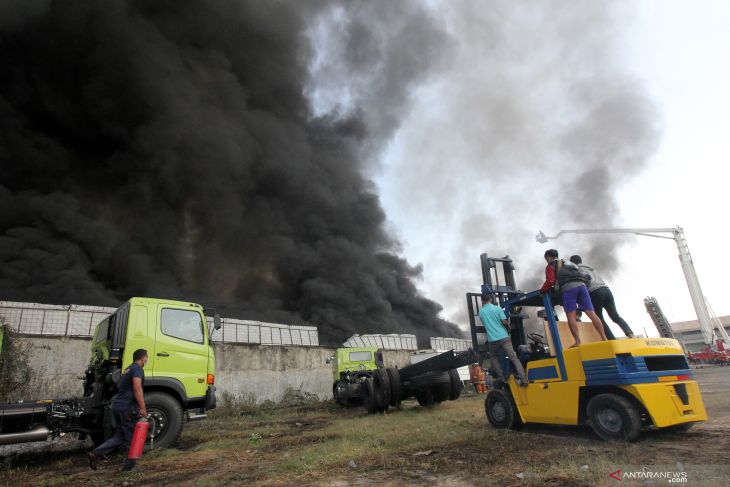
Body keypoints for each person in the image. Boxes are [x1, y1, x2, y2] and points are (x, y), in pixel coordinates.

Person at [87, 349, 148, 472]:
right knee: (130, 437)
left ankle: (96, 453)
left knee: (121, 435)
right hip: (128, 408)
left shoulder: (128, 369)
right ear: (142, 358)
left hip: (118, 406)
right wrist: (142, 408)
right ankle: (129, 468)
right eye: (146, 358)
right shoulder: (137, 370)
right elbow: (137, 388)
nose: (147, 360)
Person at [539, 249, 608, 347]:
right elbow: (585, 276)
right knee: (592, 313)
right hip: (582, 286)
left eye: (546, 258)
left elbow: (550, 281)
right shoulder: (569, 263)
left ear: (548, 257)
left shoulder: (550, 265)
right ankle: (604, 337)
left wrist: (542, 290)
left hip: (569, 289)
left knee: (571, 316)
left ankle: (578, 341)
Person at [569, 255, 635, 339]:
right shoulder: (592, 268)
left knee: (598, 317)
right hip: (606, 290)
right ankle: (630, 334)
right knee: (615, 315)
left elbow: (584, 282)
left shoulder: (577, 270)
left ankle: (611, 339)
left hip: (594, 292)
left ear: (572, 263)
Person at [479, 293, 527, 386]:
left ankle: (501, 377)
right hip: (504, 337)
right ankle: (523, 379)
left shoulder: (481, 312)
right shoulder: (497, 309)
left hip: (492, 340)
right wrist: (508, 328)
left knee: (493, 357)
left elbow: (485, 324)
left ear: (482, 300)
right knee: (514, 358)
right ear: (491, 299)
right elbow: (504, 321)